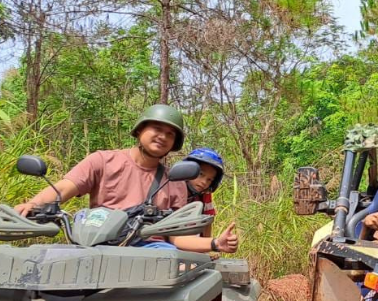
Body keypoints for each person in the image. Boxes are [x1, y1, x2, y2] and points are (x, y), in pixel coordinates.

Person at [15, 105, 238, 253]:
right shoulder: (103, 161)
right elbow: (64, 187)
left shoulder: (175, 180)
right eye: (157, 128)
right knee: (44, 262)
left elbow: (177, 239)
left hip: (150, 248)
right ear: (140, 130)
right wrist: (33, 205)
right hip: (96, 243)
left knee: (169, 260)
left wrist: (216, 244)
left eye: (171, 134)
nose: (163, 136)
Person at [181, 147, 225, 235]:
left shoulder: (204, 196)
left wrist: (208, 245)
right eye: (201, 174)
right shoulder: (173, 188)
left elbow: (207, 223)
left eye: (209, 180)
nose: (204, 182)